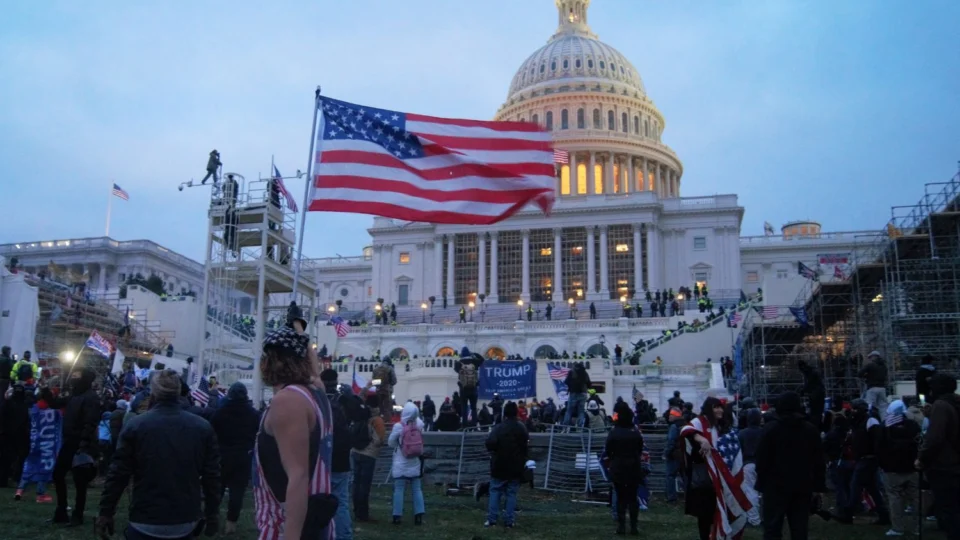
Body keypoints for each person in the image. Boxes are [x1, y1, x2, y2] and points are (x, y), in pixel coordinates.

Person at [96, 369, 220, 540]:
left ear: (153, 392)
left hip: (145, 517)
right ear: (178, 392)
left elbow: (118, 474)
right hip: (184, 519)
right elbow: (211, 477)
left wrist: (106, 512)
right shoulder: (202, 427)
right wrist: (212, 514)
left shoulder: (136, 426)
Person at [253, 326, 337, 540]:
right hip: (318, 524)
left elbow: (298, 477)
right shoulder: (317, 393)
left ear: (273, 361)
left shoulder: (288, 401)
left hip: (285, 527)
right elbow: (315, 373)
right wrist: (300, 333)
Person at [755, 391, 825, 540]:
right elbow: (819, 461)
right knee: (799, 527)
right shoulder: (810, 430)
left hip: (775, 486)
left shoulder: (770, 429)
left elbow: (761, 459)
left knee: (772, 528)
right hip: (802, 485)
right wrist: (818, 487)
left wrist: (762, 482)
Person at [680, 397, 750, 540]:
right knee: (705, 515)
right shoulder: (699, 422)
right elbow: (686, 430)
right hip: (705, 480)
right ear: (708, 409)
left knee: (717, 511)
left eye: (721, 407)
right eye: (716, 407)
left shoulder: (720, 426)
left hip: (720, 478)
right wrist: (702, 439)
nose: (720, 410)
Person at [50, 367, 100, 526]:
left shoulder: (91, 397)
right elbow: (55, 403)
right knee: (58, 474)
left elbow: (90, 422)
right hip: (70, 442)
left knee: (80, 482)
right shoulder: (74, 395)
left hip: (82, 444)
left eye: (76, 375)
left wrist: (84, 444)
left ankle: (78, 515)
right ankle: (61, 511)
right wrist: (46, 389)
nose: (73, 378)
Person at [210, 382, 260, 535]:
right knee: (237, 492)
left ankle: (212, 519)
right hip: (243, 456)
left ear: (229, 395)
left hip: (222, 456)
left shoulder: (220, 413)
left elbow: (212, 434)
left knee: (216, 489)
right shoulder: (253, 414)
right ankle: (231, 524)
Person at [916, 374, 960, 539]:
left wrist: (921, 458)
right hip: (955, 463)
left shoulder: (941, 406)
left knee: (948, 510)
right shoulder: (955, 403)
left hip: (945, 466)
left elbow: (935, 438)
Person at [319, 369, 356, 540]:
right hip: (342, 459)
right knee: (341, 503)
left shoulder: (317, 401)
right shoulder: (344, 400)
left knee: (318, 501)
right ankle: (343, 535)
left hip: (323, 458)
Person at [878, 399, 921, 537]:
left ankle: (897, 528)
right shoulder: (913, 425)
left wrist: (883, 464)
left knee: (895, 499)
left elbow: (879, 447)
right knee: (915, 499)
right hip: (912, 467)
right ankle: (917, 527)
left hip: (892, 469)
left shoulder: (886, 427)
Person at [484, 401, 528, 529]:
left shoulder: (498, 428)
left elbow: (490, 443)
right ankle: (509, 521)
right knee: (511, 494)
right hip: (515, 466)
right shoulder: (521, 428)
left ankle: (492, 520)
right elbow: (525, 446)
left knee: (495, 491)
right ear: (516, 413)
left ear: (504, 414)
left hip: (499, 465)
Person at [16, 387, 60, 503]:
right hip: (47, 444)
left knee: (29, 465)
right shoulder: (54, 412)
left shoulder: (33, 409)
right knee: (44, 467)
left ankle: (20, 490)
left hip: (33, 442)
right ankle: (41, 494)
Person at [604, 406, 643, 535]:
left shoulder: (614, 432)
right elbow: (640, 448)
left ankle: (621, 526)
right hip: (633, 466)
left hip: (618, 466)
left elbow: (608, 450)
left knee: (620, 498)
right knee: (632, 498)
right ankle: (633, 526)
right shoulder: (635, 431)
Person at [388, 402, 425, 526]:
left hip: (401, 462)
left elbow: (390, 442)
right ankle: (419, 515)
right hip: (414, 461)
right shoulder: (419, 424)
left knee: (399, 489)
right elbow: (418, 419)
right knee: (417, 489)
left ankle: (397, 516)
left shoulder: (399, 426)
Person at [351, 394, 386, 523]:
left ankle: (356, 511)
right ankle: (363, 514)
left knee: (356, 483)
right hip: (369, 455)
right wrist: (370, 447)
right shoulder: (376, 420)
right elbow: (379, 439)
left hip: (355, 452)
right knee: (365, 485)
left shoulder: (359, 414)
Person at [1, 384, 31, 489]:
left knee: (7, 458)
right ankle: (15, 478)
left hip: (9, 434)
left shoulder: (8, 403)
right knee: (18, 458)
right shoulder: (24, 404)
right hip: (19, 434)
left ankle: (5, 479)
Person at [737, 407, 763, 527]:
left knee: (751, 491)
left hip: (749, 464)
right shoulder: (765, 432)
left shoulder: (742, 433)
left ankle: (754, 519)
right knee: (766, 492)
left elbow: (739, 451)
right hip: (765, 464)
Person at [859, 351, 888, 419]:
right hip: (882, 388)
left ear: (874, 357)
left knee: (869, 405)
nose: (870, 359)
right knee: (883, 406)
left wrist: (866, 376)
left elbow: (860, 374)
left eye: (870, 357)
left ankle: (869, 420)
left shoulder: (870, 365)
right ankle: (884, 422)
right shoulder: (884, 366)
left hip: (872, 388)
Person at [455, 349, 482, 425]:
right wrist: (474, 353)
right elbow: (482, 360)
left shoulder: (459, 363)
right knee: (473, 408)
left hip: (463, 389)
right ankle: (474, 425)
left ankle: (464, 425)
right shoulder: (474, 362)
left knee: (464, 408)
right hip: (473, 388)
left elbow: (456, 370)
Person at [797, 360, 825, 431]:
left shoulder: (810, 372)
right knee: (816, 412)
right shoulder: (810, 371)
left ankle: (816, 426)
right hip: (816, 394)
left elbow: (809, 384)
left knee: (816, 412)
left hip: (816, 394)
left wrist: (803, 391)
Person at [562, 363, 591, 427]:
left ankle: (565, 426)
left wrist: (571, 386)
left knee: (569, 410)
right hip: (583, 394)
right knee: (581, 411)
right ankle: (580, 426)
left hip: (573, 393)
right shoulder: (585, 373)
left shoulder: (572, 372)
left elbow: (566, 382)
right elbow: (589, 384)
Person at [372, 358, 397, 425]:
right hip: (387, 391)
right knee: (387, 408)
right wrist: (387, 384)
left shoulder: (375, 369)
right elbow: (394, 381)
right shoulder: (390, 368)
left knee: (379, 407)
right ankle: (387, 423)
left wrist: (380, 384)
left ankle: (378, 422)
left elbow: (374, 382)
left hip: (378, 391)